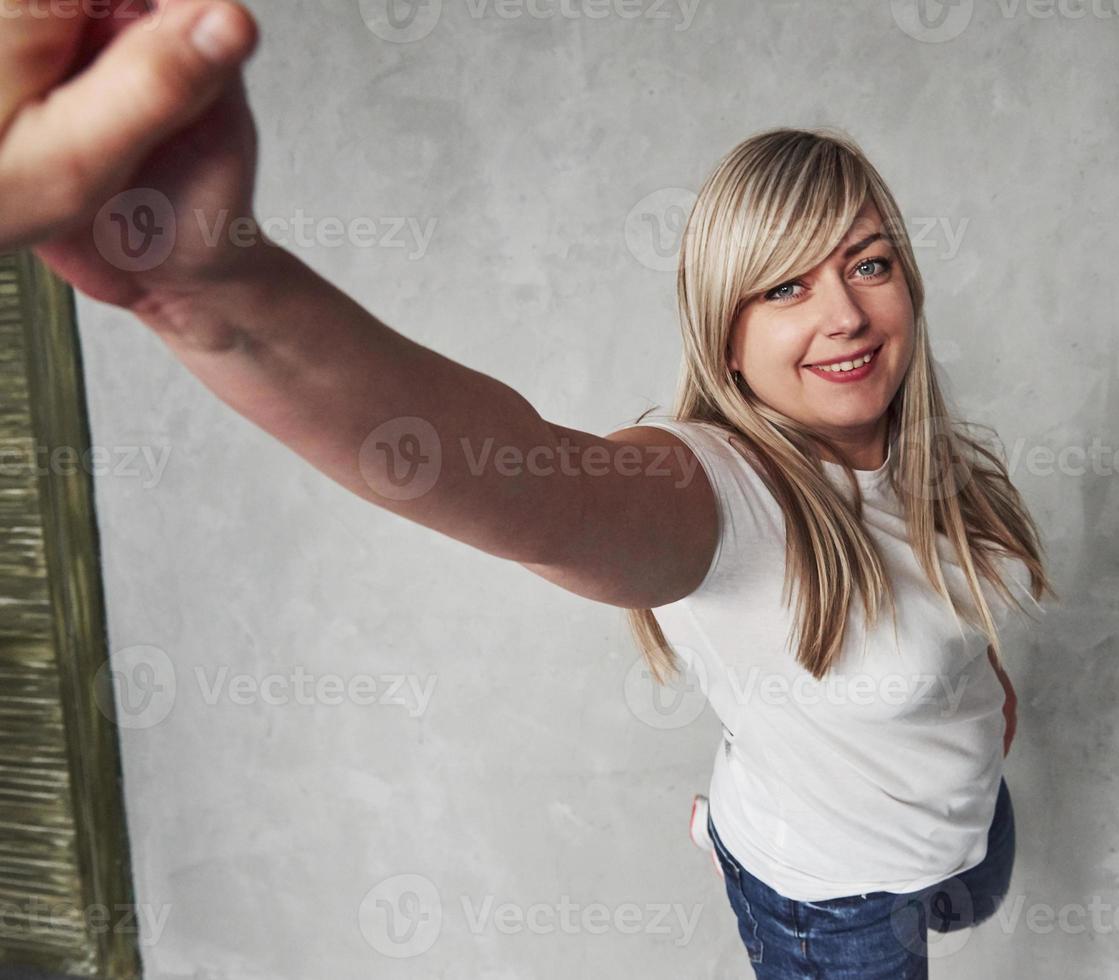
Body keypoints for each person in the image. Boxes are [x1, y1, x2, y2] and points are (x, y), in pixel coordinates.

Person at [4, 3, 1053, 975]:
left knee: (975, 893)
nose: (844, 315)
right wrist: (208, 291)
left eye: (867, 265)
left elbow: (940, 601)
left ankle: (766, 799)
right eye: (783, 285)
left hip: (955, 816)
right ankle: (749, 843)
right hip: (835, 894)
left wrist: (974, 688)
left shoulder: (923, 449)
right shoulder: (723, 498)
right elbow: (506, 467)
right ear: (724, 336)